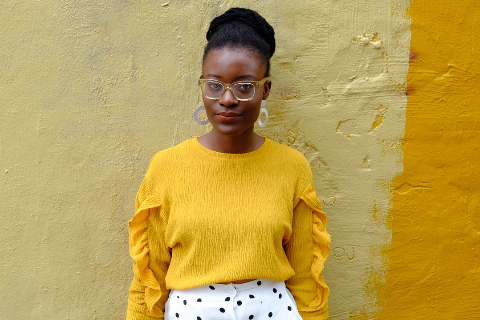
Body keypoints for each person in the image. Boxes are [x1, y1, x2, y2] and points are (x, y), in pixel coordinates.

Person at [126, 7, 330, 320]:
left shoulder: (292, 166)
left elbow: (305, 277)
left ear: (265, 90)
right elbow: (148, 278)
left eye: (245, 86)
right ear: (203, 87)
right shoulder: (166, 167)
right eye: (214, 84)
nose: (227, 99)